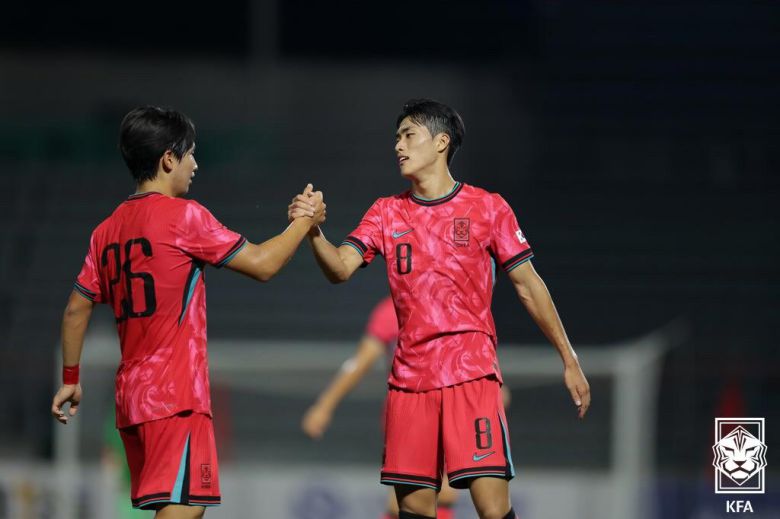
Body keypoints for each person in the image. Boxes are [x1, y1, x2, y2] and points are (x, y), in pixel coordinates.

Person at [290, 99, 590, 519]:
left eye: (408, 135)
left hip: (472, 376)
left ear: (441, 142)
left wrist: (569, 358)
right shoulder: (385, 212)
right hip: (409, 386)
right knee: (414, 512)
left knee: (493, 509)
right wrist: (313, 231)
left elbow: (528, 285)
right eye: (396, 137)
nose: (398, 145)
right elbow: (340, 268)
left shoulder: (487, 207)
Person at [50, 106, 325, 519]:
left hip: (131, 402)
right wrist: (303, 222)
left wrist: (71, 379)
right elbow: (263, 264)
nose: (195, 164)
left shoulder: (105, 231)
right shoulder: (184, 217)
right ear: (168, 159)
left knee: (179, 505)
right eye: (190, 153)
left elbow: (76, 308)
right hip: (174, 396)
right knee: (186, 507)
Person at [302, 296, 458, 519]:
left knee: (431, 494)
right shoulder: (392, 310)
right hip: (408, 412)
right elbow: (361, 361)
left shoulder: (452, 301)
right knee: (417, 496)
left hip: (448, 409)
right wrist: (324, 405)